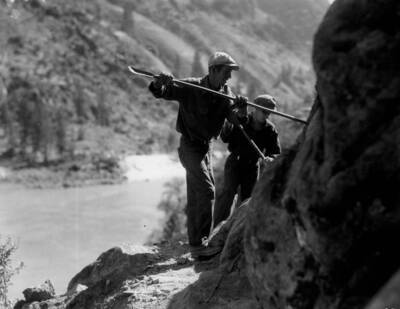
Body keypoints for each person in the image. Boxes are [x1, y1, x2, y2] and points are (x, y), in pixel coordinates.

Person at [148, 51, 246, 258]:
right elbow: (162, 91)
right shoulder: (191, 87)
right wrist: (160, 83)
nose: (229, 77)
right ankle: (199, 244)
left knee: (198, 192)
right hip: (189, 147)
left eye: (230, 73)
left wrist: (241, 111)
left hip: (206, 149)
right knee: (206, 190)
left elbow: (236, 124)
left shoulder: (226, 95)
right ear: (213, 70)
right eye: (226, 72)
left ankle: (198, 242)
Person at [213, 94, 281, 228]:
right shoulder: (240, 119)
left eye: (269, 113)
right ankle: (216, 231)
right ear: (255, 109)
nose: (267, 115)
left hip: (252, 167)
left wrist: (271, 159)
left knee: (247, 201)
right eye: (265, 112)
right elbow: (225, 137)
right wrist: (234, 119)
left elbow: (276, 152)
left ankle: (239, 232)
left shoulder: (270, 129)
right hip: (235, 163)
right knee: (228, 195)